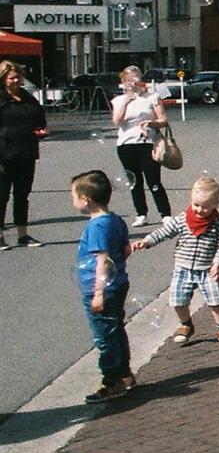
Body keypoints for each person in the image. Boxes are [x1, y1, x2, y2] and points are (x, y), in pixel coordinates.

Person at [131, 175, 219, 345]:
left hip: (206, 269)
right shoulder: (183, 219)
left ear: (216, 204)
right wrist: (147, 241)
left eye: (206, 207)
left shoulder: (218, 223)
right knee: (178, 300)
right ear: (191, 199)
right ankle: (186, 324)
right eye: (196, 205)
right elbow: (164, 232)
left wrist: (217, 263)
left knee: (216, 301)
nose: (200, 210)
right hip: (183, 268)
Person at [70, 170, 133, 403]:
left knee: (104, 337)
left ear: (86, 199)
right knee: (116, 330)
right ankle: (125, 375)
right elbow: (125, 250)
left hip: (101, 290)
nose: (73, 201)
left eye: (73, 196)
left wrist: (98, 293)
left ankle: (111, 381)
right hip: (118, 285)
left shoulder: (96, 227)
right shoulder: (115, 219)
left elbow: (103, 261)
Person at [110, 66, 171, 226]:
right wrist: (126, 100)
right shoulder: (118, 100)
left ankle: (165, 213)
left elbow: (163, 119)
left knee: (153, 179)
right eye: (130, 80)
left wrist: (150, 122)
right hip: (126, 144)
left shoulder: (152, 97)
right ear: (123, 82)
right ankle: (141, 213)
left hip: (147, 142)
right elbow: (117, 121)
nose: (134, 83)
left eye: (137, 79)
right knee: (134, 181)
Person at [0, 60, 49, 248]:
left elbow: (40, 120)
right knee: (2, 195)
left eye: (18, 76)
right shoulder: (1, 99)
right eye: (11, 77)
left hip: (26, 152)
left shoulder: (28, 98)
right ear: (3, 79)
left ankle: (23, 235)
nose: (16, 80)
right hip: (4, 153)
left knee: (23, 194)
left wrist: (41, 131)